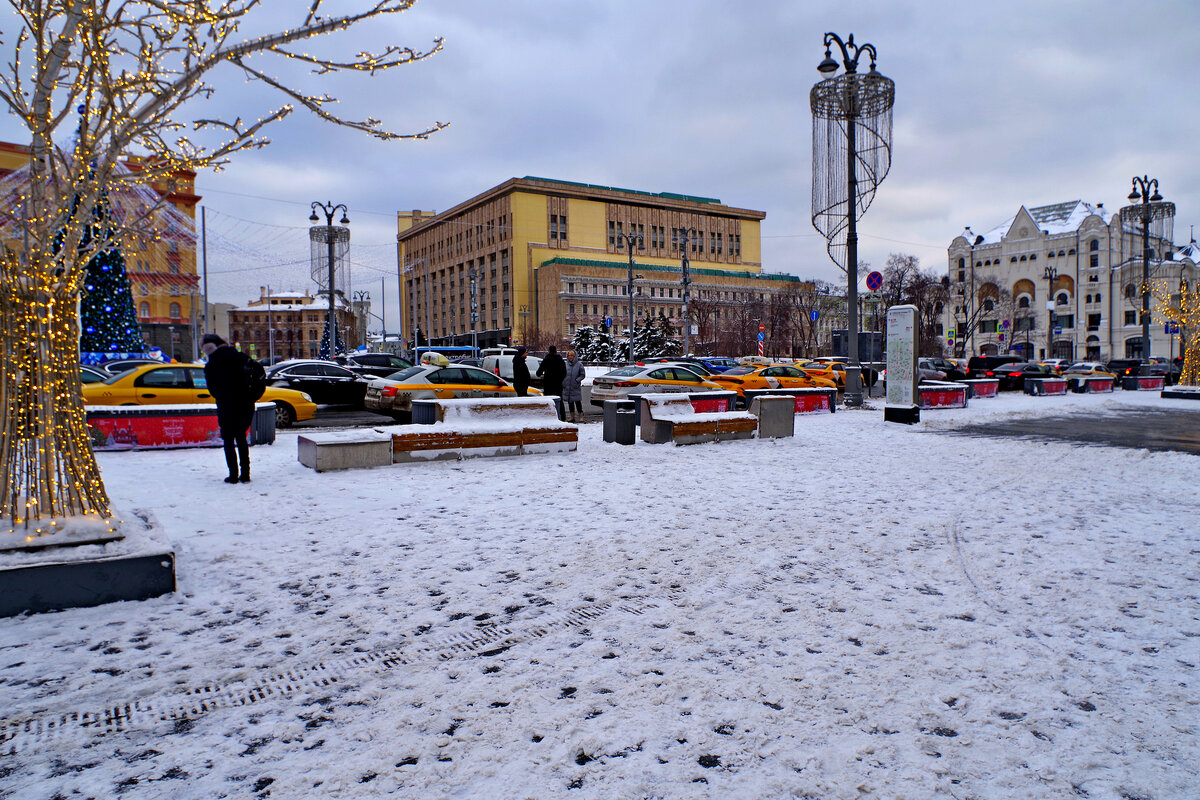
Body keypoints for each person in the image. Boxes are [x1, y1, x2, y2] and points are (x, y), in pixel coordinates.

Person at [202, 333, 253, 484]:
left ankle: (233, 475)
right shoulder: (241, 357)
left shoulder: (211, 365)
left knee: (229, 441)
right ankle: (245, 474)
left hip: (226, 406)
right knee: (241, 438)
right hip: (245, 404)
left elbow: (212, 390)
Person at [536, 345, 567, 419]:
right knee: (559, 401)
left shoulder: (546, 359)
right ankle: (562, 417)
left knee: (549, 401)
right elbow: (564, 372)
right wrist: (560, 379)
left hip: (548, 384)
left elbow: (538, 373)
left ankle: (550, 417)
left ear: (549, 351)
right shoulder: (560, 359)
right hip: (558, 384)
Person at [563, 349, 585, 423]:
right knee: (570, 402)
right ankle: (572, 416)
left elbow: (582, 375)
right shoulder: (565, 364)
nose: (570, 357)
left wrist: (577, 380)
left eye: (572, 355)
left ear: (574, 356)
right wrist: (564, 382)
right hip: (567, 387)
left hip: (575, 386)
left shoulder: (579, 364)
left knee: (578, 402)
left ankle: (581, 416)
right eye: (569, 355)